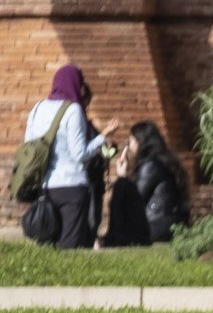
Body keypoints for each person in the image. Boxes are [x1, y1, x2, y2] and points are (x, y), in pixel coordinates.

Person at [19, 66, 110, 250]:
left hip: (45, 189)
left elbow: (28, 146)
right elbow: (79, 154)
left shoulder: (37, 108)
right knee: (71, 248)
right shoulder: (73, 110)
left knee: (47, 247)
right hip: (72, 186)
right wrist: (103, 137)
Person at [101, 121, 192, 248]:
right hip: (169, 222)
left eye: (131, 141)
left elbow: (132, 201)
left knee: (115, 235)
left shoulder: (150, 165)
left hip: (156, 224)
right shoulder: (159, 161)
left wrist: (123, 177)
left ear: (140, 142)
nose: (129, 146)